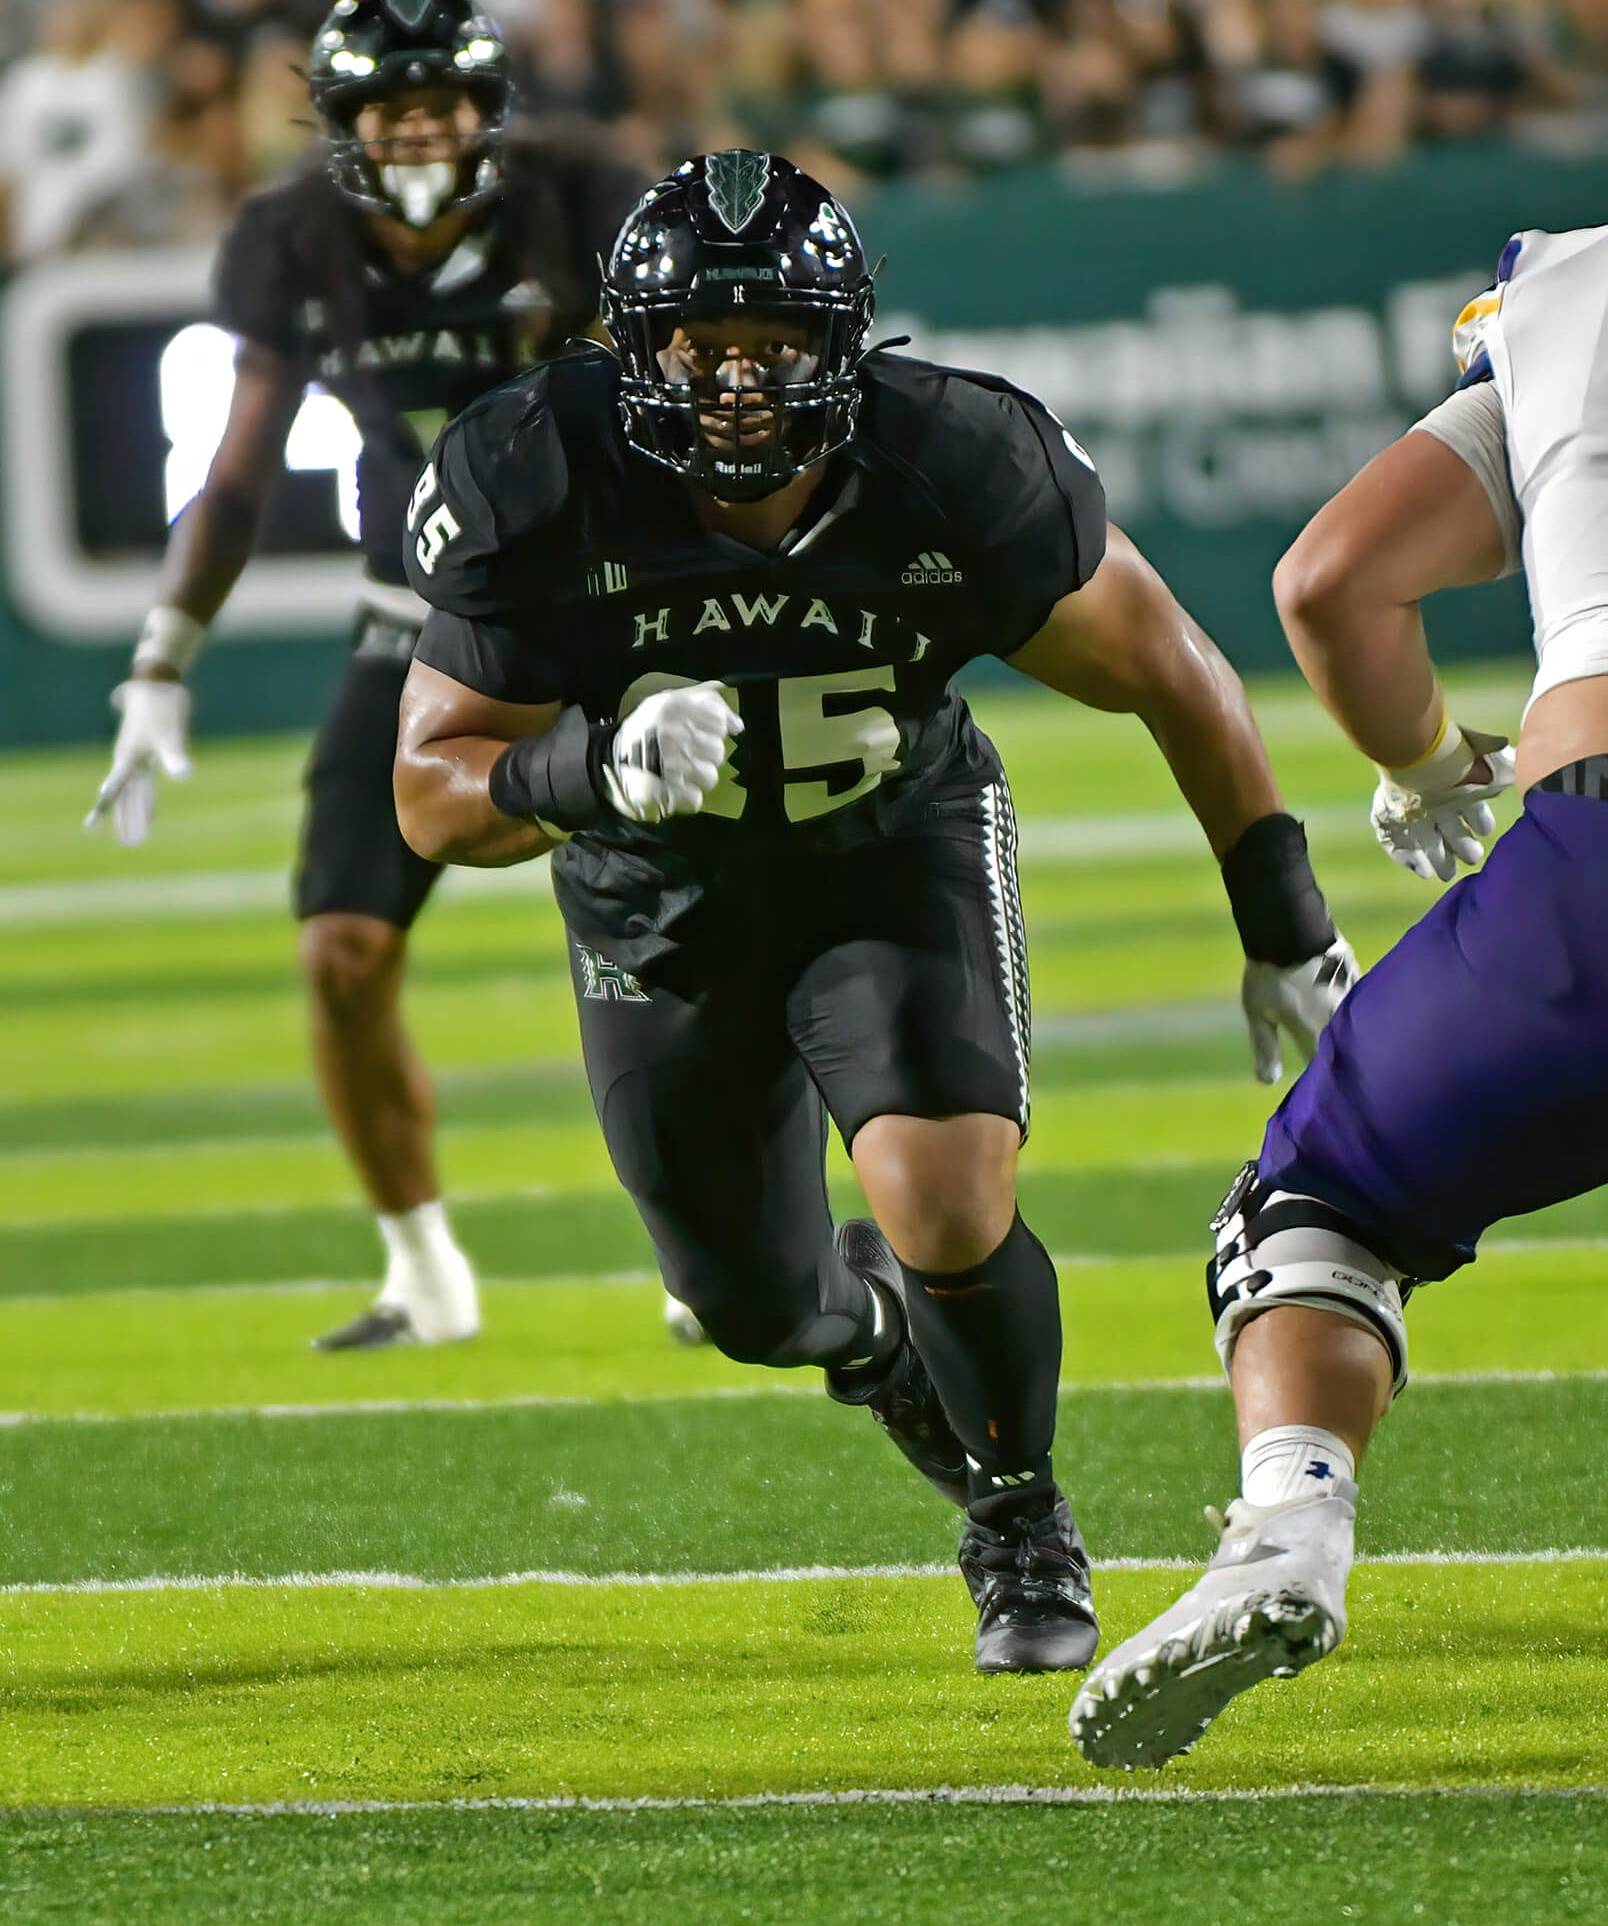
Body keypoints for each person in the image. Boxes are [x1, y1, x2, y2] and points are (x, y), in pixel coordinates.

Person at [390, 147, 1355, 1671]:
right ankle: (869, 1334)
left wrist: (1281, 915)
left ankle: (1019, 1516)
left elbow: (1170, 665)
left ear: (841, 343)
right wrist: (589, 765)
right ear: (633, 349)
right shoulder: (541, 473)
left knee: (946, 1196)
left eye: (773, 343)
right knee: (753, 1305)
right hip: (657, 907)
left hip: (890, 854)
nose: (736, 386)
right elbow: (429, 786)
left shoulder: (952, 462)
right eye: (700, 346)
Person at [1071, 220, 1604, 1768]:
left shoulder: (1577, 291)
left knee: (1324, 1205)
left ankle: (1290, 1525)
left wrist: (1427, 764)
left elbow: (1333, 584)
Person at [87, 0, 647, 1351]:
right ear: (342, 125)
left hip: (607, 619)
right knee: (341, 951)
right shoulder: (296, 237)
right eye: (389, 109)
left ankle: (725, 1241)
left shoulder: (584, 198)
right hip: (419, 623)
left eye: (440, 103)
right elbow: (236, 472)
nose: (418, 132)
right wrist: (162, 659)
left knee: (683, 948)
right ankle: (425, 1274)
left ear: (487, 110)